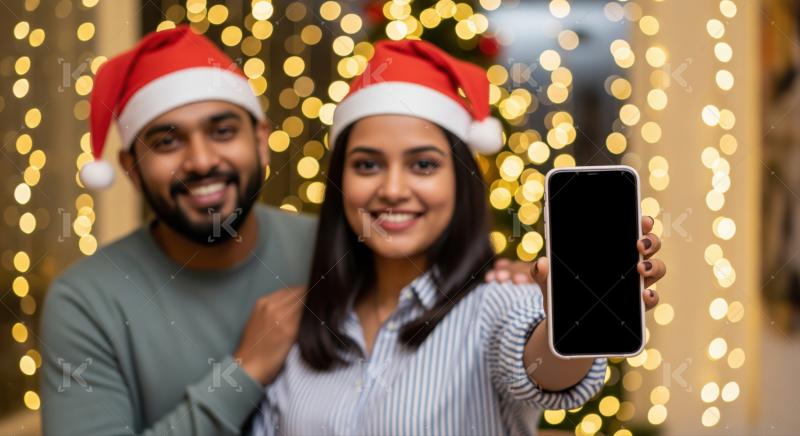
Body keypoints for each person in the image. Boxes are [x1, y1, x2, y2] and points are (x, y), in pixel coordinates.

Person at [40, 26, 532, 435]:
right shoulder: (86, 301)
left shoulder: (345, 248)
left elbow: (516, 347)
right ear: (129, 168)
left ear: (262, 141)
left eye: (222, 131)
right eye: (166, 142)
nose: (201, 160)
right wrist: (245, 371)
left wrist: (513, 285)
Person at [251, 40, 666, 435]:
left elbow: (546, 371)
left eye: (423, 165)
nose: (392, 190)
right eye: (367, 165)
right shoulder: (295, 322)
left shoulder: (501, 302)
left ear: (460, 181)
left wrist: (574, 317)